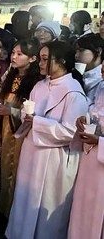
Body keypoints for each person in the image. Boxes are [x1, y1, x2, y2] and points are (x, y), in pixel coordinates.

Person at [6, 41, 89, 239]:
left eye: (45, 59)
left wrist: (38, 123)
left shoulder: (74, 92)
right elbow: (31, 116)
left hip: (55, 159)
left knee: (46, 205)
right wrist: (28, 119)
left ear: (60, 61)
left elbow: (71, 132)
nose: (40, 64)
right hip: (32, 152)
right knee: (26, 198)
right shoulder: (40, 85)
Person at [0, 39, 42, 220]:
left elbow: (33, 110)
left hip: (21, 130)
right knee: (5, 166)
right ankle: (2, 207)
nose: (14, 56)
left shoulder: (37, 82)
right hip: (7, 125)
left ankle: (10, 214)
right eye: (13, 53)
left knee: (15, 169)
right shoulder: (11, 75)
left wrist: (10, 110)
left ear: (32, 59)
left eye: (20, 54)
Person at [67, 87, 104, 239]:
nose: (102, 69)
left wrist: (99, 141)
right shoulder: (101, 88)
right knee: (81, 212)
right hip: (89, 162)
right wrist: (84, 120)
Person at [74, 33, 104, 104]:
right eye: (76, 51)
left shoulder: (101, 80)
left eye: (81, 50)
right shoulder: (80, 76)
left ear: (99, 51)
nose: (76, 55)